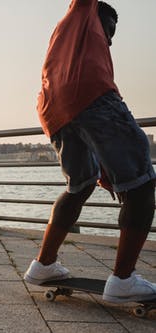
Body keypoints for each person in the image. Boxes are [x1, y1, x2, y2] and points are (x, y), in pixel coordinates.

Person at [23, 0, 156, 303]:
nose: (109, 39)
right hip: (90, 98)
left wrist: (110, 168)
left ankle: (43, 265)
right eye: (109, 30)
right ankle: (123, 279)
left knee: (80, 185)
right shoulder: (83, 12)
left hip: (55, 110)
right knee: (142, 184)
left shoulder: (68, 43)